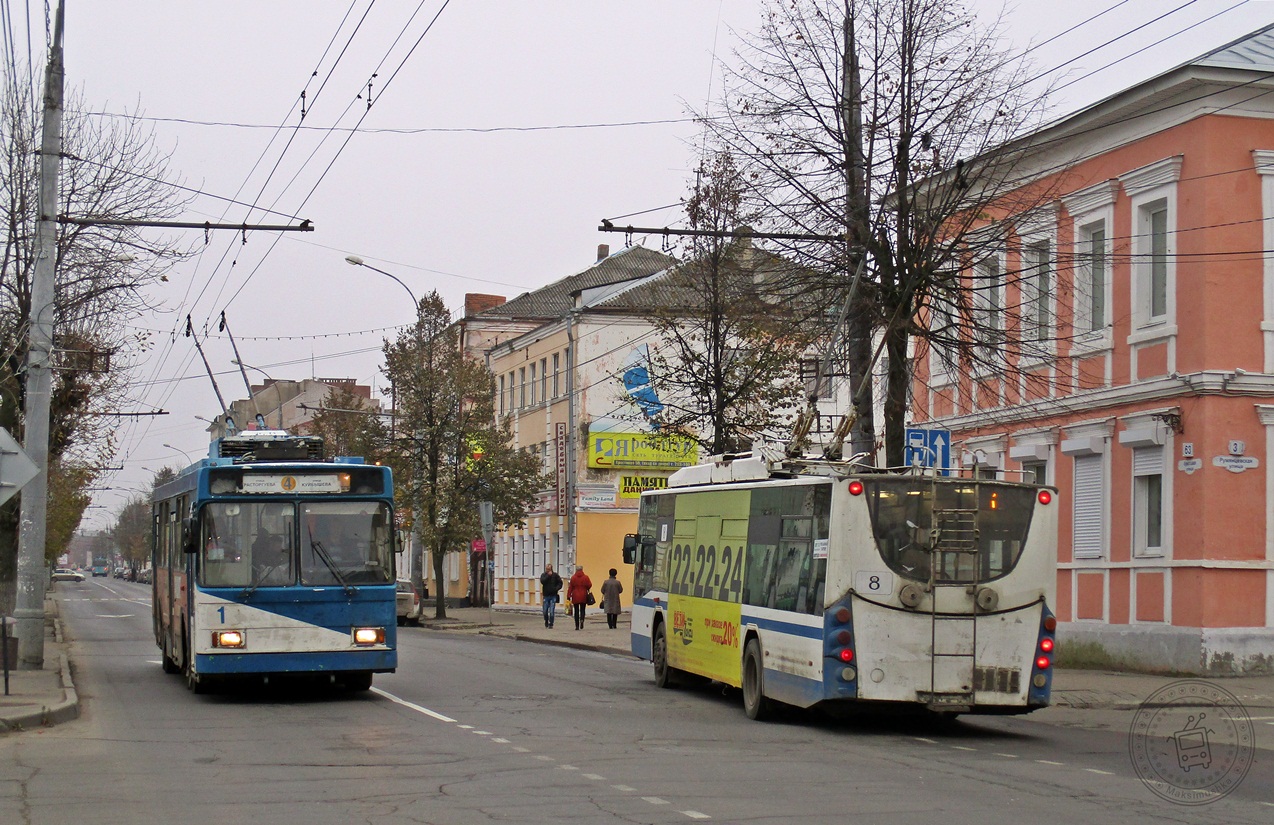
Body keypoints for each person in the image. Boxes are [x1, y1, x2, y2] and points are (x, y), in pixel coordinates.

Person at [567, 565, 592, 630]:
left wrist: (568, 595)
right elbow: (589, 585)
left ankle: (577, 625)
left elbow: (570, 587)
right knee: (582, 609)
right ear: (582, 570)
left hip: (575, 595)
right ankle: (582, 620)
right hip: (583, 595)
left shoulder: (573, 578)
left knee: (576, 610)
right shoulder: (586, 577)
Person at [539, 563, 563, 628]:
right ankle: (546, 621)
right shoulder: (543, 575)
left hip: (553, 595)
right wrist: (548, 576)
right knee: (545, 611)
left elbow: (560, 583)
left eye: (548, 569)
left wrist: (556, 589)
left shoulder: (555, 575)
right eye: (546, 569)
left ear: (551, 569)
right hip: (546, 595)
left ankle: (551, 623)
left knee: (552, 611)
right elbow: (542, 581)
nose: (547, 570)